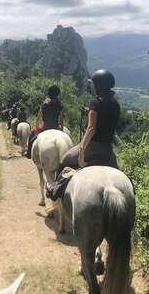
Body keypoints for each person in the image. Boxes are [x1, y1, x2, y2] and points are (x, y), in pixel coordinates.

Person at [46, 69, 120, 199]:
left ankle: (55, 189)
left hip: (92, 148)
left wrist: (81, 150)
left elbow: (91, 128)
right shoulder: (115, 103)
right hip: (107, 150)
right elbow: (106, 116)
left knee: (64, 161)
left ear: (98, 86)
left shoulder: (95, 103)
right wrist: (90, 111)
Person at [26, 85, 64, 159]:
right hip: (56, 128)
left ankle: (29, 153)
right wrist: (61, 130)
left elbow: (38, 118)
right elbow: (61, 120)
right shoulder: (60, 105)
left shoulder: (44, 104)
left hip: (45, 127)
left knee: (31, 135)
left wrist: (36, 128)